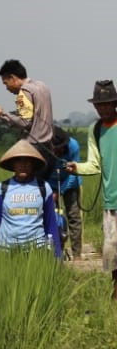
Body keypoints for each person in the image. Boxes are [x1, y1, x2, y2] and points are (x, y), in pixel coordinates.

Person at [67, 80, 117, 298]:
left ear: (114, 103)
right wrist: (76, 167)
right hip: (111, 202)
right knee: (111, 253)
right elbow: (95, 164)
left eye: (107, 104)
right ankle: (115, 294)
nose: (103, 108)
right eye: (99, 104)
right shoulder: (95, 130)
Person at [0, 140, 62, 258]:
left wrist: (57, 255)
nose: (23, 164)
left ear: (33, 164)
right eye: (19, 161)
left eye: (27, 161)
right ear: (13, 164)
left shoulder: (44, 188)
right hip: (6, 252)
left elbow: (50, 224)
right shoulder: (1, 189)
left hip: (36, 251)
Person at [0, 59, 55, 166]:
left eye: (6, 83)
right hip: (49, 147)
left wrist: (2, 114)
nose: (6, 88)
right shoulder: (42, 86)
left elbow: (25, 123)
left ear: (13, 78)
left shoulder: (24, 91)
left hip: (34, 147)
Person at [50, 127, 83, 260]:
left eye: (61, 148)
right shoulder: (43, 147)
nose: (59, 151)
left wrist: (60, 191)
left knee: (74, 216)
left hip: (71, 181)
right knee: (52, 216)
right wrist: (49, 192)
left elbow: (75, 172)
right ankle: (56, 250)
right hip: (50, 183)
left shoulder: (73, 145)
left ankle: (77, 254)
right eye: (56, 148)